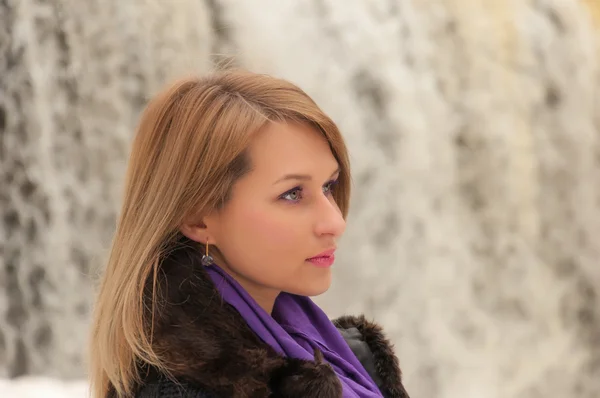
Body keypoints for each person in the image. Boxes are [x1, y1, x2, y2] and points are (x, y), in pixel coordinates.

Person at [88, 69, 410, 398]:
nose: (335, 222)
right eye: (293, 194)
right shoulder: (181, 390)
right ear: (198, 219)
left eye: (329, 186)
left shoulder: (341, 359)